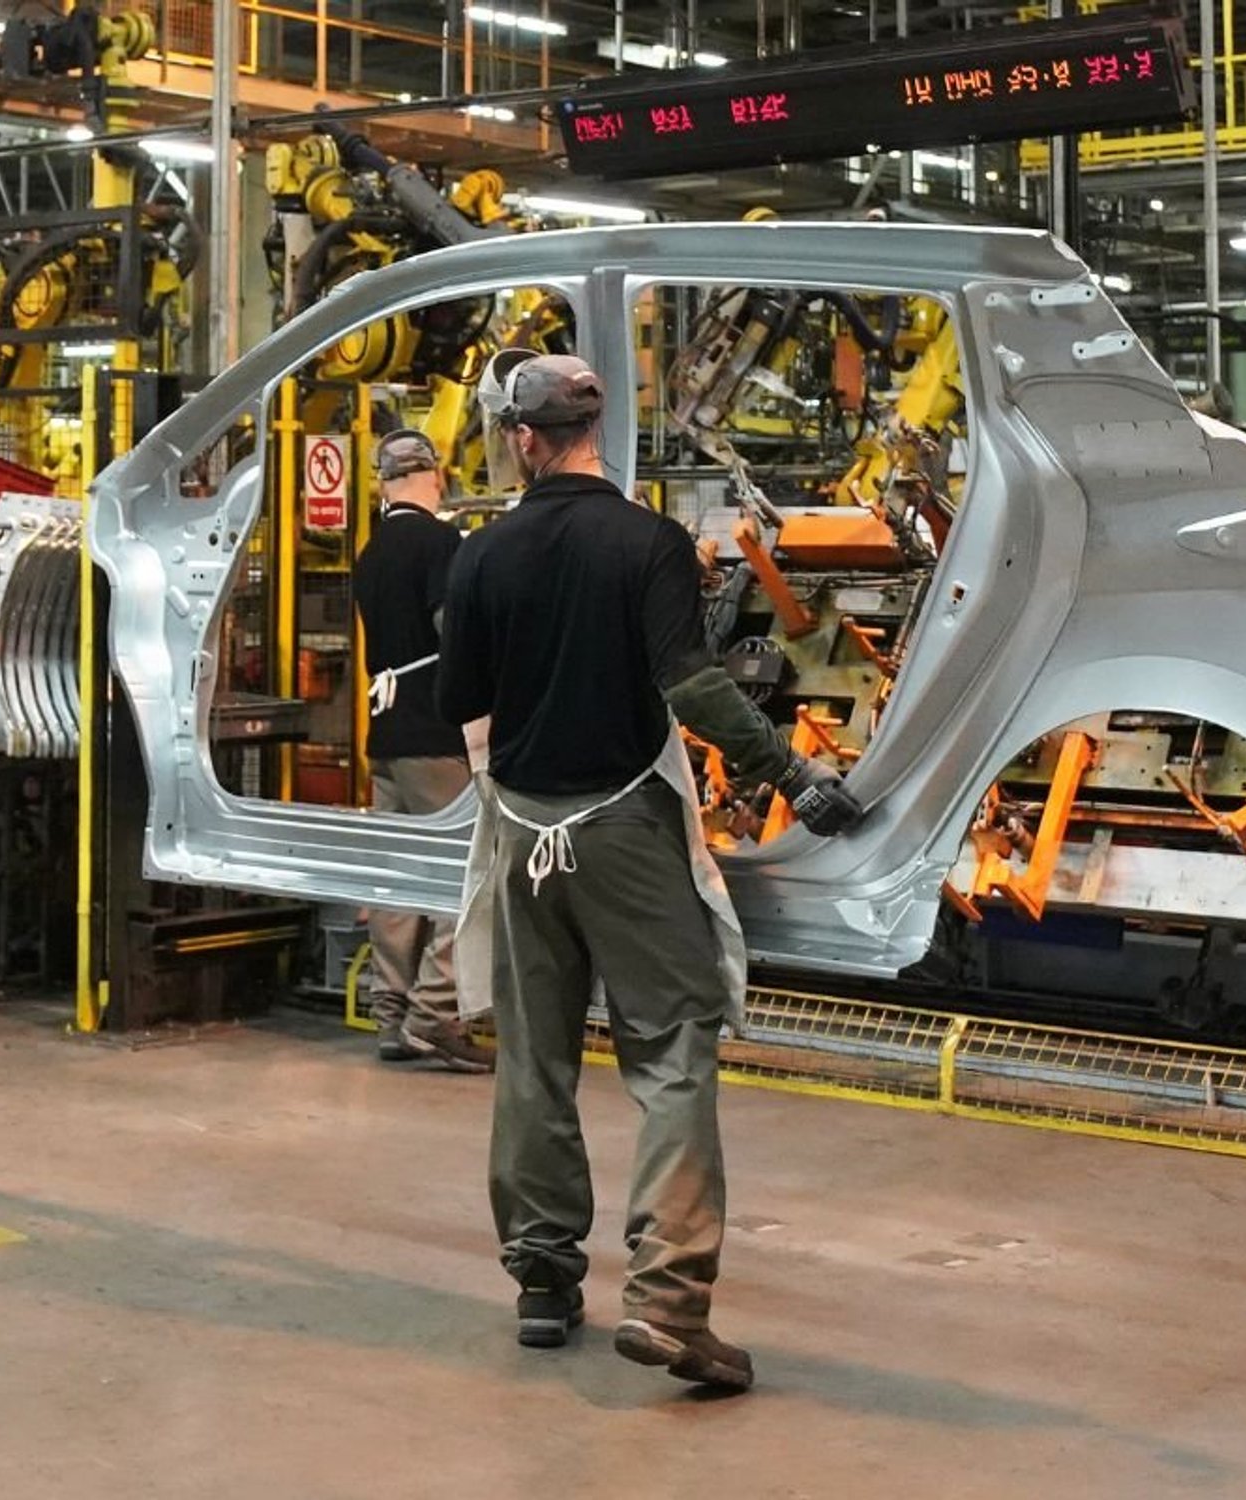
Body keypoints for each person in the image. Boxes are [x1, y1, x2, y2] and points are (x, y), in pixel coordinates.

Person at [437, 351, 863, 1393]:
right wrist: (791, 776)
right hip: (624, 827)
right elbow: (691, 686)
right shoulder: (650, 543)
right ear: (592, 434)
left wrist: (515, 797)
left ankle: (543, 1285)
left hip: (522, 834)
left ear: (522, 440)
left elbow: (467, 709)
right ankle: (668, 1306)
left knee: (533, 1057)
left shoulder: (481, 556)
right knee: (671, 1055)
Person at [350, 427, 494, 1074]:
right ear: (432, 476)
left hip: (385, 733)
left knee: (395, 877)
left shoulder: (371, 551)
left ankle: (391, 1013)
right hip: (437, 732)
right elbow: (451, 629)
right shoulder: (440, 542)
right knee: (460, 873)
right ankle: (436, 1015)